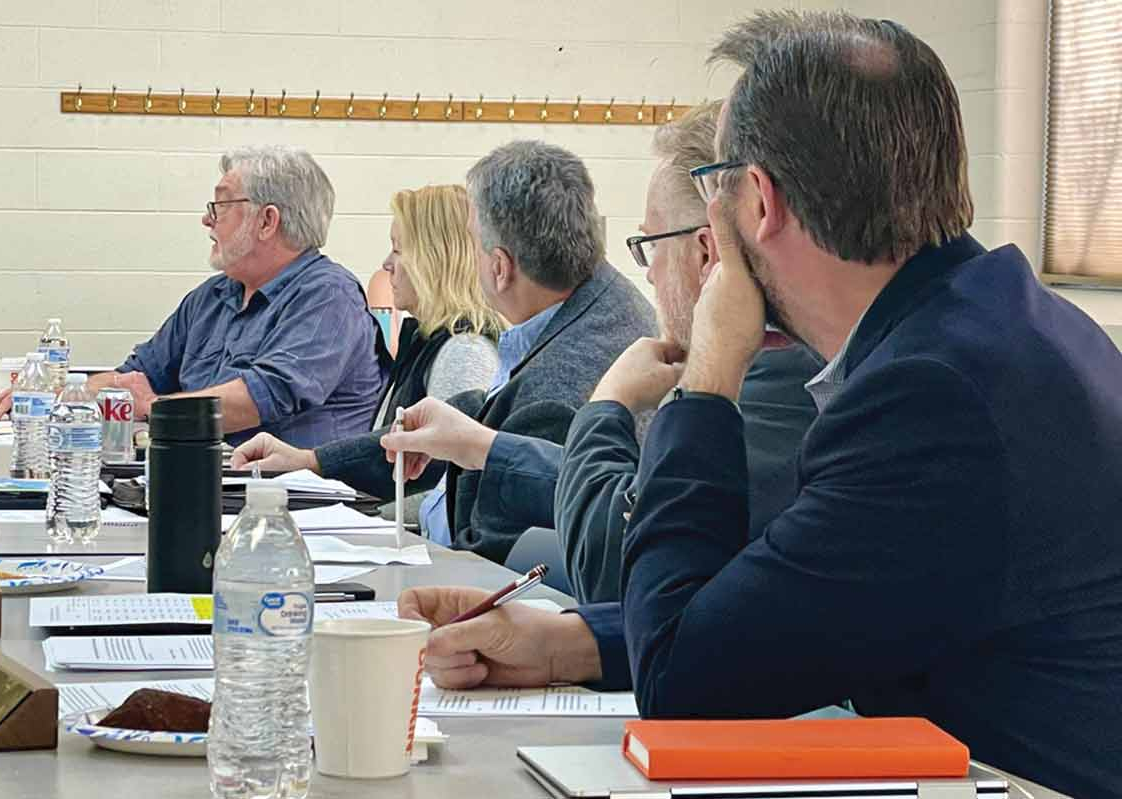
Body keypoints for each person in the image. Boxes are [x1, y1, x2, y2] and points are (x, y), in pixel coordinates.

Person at [395, 11, 1122, 798]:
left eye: (717, 191)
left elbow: (686, 682)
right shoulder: (989, 326)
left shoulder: (933, 394)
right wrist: (567, 641)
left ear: (759, 204)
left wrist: (709, 372)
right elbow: (784, 602)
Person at [381, 103, 820, 602]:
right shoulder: (765, 369)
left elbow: (623, 560)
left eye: (651, 245)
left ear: (706, 252)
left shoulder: (772, 383)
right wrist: (481, 446)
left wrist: (606, 404)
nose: (650, 273)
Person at [242, 141, 656, 562]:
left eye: (472, 244)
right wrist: (315, 461)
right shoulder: (584, 311)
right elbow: (475, 416)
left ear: (499, 267)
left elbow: (491, 553)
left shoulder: (561, 378)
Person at [0, 145, 388, 448]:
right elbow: (136, 376)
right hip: (207, 485)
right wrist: (56, 396)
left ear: (267, 221)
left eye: (221, 205)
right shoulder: (212, 297)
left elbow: (260, 398)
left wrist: (154, 408)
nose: (207, 219)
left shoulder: (328, 297)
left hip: (297, 508)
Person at [232, 184, 504, 494]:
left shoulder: (464, 352)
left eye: (398, 249)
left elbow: (439, 487)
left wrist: (311, 465)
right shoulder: (426, 345)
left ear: (435, 258)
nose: (387, 263)